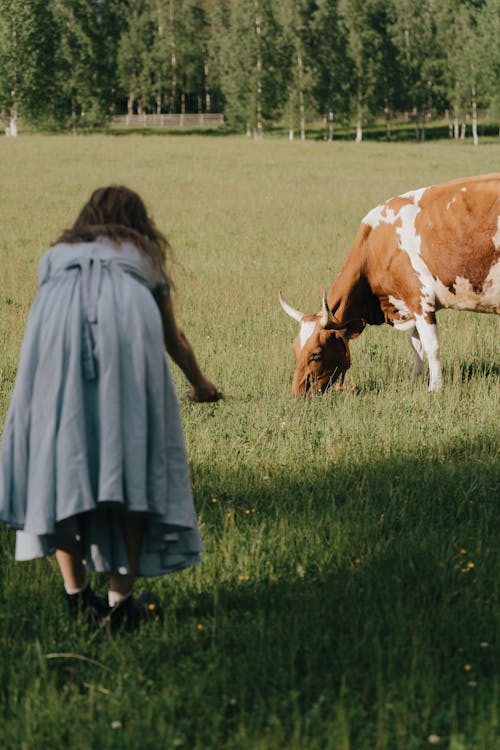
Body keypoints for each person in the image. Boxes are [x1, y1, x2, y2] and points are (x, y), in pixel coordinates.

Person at [0, 185, 221, 631]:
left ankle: (77, 598)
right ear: (139, 223)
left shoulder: (55, 258)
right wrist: (201, 383)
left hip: (56, 366)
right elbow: (172, 339)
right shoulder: (142, 258)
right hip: (127, 364)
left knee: (61, 471)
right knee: (133, 471)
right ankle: (121, 604)